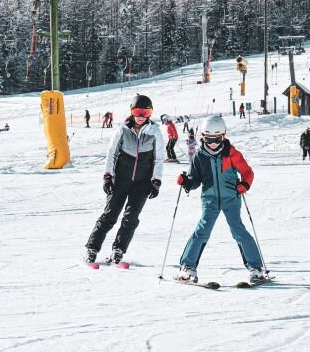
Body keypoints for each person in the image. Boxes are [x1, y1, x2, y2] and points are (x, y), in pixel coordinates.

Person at [174, 115, 268, 284]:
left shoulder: (231, 154)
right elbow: (195, 180)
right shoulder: (199, 156)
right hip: (209, 199)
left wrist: (244, 185)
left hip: (231, 198)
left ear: (224, 136)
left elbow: (248, 172)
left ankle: (256, 268)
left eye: (217, 139)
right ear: (203, 136)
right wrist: (187, 182)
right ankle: (187, 267)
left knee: (238, 230)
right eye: (209, 139)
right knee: (202, 231)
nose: (213, 143)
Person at [84, 94, 163, 267]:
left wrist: (156, 181)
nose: (141, 116)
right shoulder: (122, 130)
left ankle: (118, 249)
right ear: (132, 112)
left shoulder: (154, 131)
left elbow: (158, 158)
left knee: (131, 218)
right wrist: (107, 176)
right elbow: (111, 153)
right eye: (137, 111)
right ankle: (92, 248)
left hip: (142, 183)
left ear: (150, 113)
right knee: (110, 215)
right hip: (120, 179)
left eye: (145, 112)